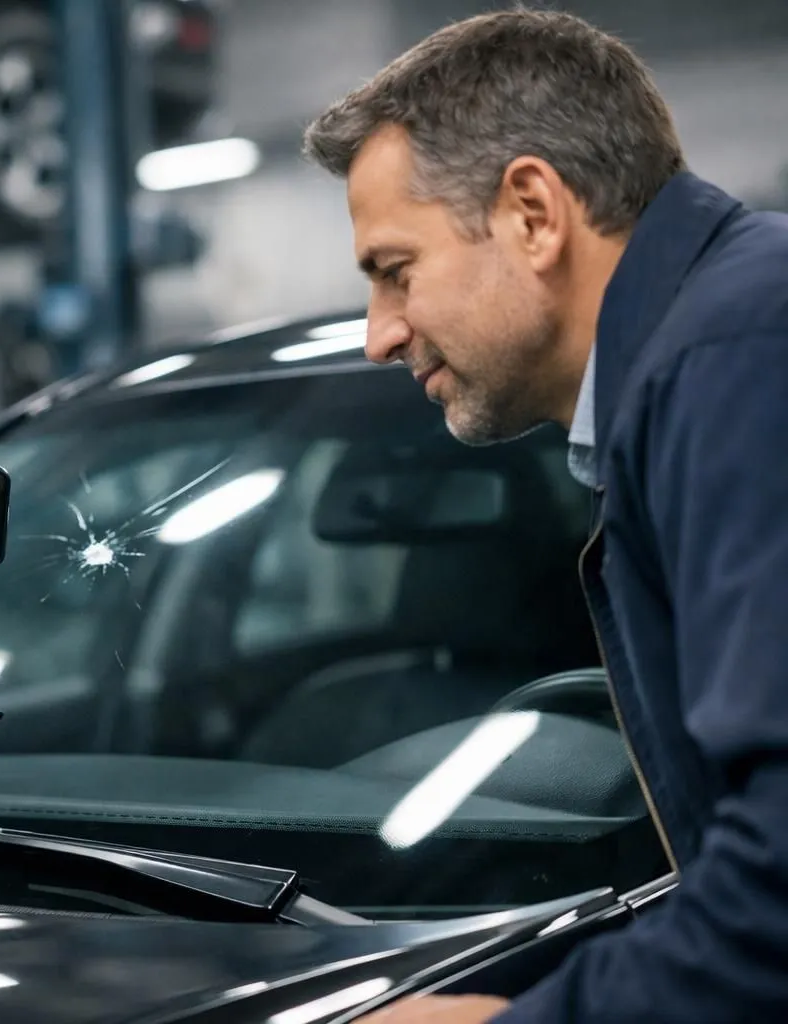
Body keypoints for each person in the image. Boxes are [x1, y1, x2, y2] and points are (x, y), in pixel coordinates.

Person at [301, 8, 788, 1022]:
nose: (379, 337)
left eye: (396, 271)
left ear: (532, 211)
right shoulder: (716, 347)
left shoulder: (738, 361)